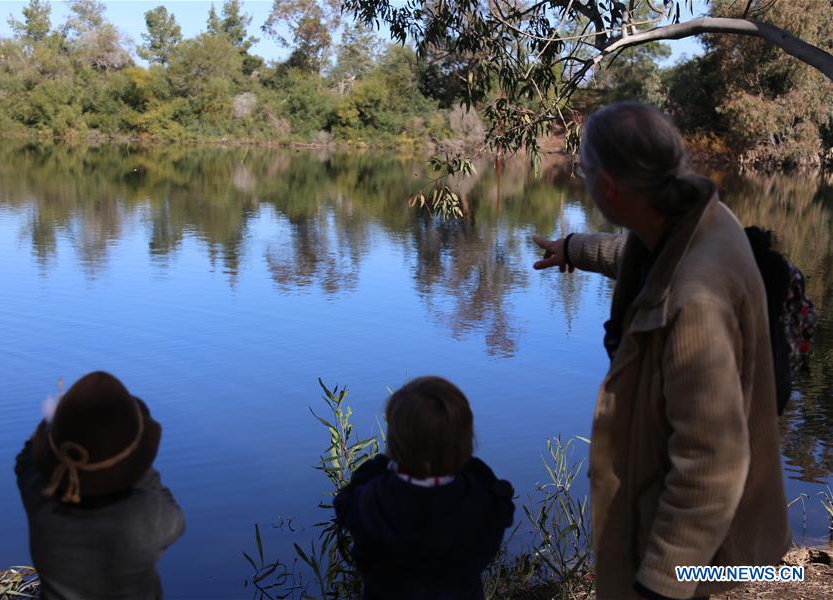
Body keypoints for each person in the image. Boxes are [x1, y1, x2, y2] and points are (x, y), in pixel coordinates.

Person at [533, 102, 790, 599]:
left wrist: (661, 583)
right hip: (689, 527)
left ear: (606, 186)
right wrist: (573, 248)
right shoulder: (702, 220)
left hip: (680, 552)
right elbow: (636, 251)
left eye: (583, 170)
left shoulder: (693, 305)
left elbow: (711, 462)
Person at [333, 376, 515, 600]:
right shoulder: (483, 503)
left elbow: (345, 499)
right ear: (465, 440)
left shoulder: (370, 501)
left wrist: (384, 461)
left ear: (394, 440)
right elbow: (501, 503)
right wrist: (463, 462)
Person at [15, 371, 185, 600]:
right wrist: (137, 463)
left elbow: (26, 460)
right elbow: (176, 518)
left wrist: (53, 425)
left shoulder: (41, 501)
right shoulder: (147, 516)